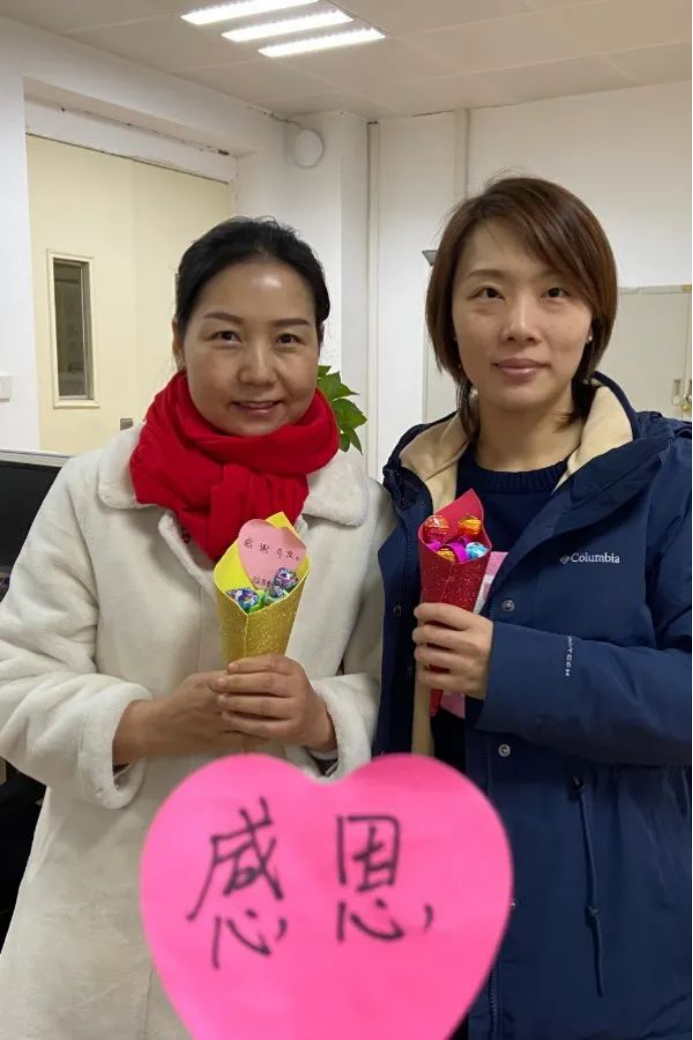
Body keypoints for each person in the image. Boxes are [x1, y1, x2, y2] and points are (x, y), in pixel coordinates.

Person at [0, 218, 390, 1039]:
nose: (258, 370)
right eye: (225, 336)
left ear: (317, 347)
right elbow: (16, 680)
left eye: (288, 339)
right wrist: (143, 725)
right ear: (178, 339)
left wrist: (322, 717)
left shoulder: (360, 513)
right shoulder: (95, 494)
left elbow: (394, 694)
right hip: (109, 914)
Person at [375, 177, 692, 1040]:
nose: (519, 324)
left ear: (592, 316)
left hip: (608, 963)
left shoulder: (666, 483)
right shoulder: (409, 490)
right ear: (449, 320)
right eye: (487, 293)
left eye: (554, 291)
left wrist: (511, 666)